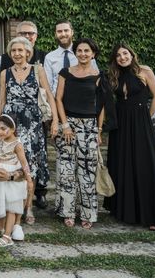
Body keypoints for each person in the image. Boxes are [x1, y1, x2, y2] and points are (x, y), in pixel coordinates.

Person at [104, 43, 155, 230]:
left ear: (131, 54)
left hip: (140, 121)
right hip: (121, 123)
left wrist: (146, 117)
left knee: (145, 164)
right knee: (122, 162)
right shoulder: (114, 74)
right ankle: (124, 210)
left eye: (125, 53)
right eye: (118, 55)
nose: (122, 57)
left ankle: (152, 215)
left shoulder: (144, 70)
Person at [0, 37, 57, 225]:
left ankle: (28, 207)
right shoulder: (5, 73)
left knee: (29, 167)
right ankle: (12, 206)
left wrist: (55, 121)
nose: (17, 54)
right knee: (12, 163)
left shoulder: (38, 70)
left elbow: (50, 97)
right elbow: (2, 100)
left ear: (27, 52)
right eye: (13, 51)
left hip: (33, 124)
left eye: (20, 50)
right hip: (12, 124)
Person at [54, 38, 105, 229]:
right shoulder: (65, 73)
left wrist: (99, 130)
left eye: (87, 51)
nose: (83, 54)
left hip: (90, 126)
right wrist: (65, 124)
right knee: (66, 169)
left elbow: (101, 106)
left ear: (93, 54)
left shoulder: (99, 75)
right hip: (68, 126)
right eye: (80, 50)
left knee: (87, 171)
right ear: (75, 53)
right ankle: (67, 212)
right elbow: (58, 99)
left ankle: (88, 213)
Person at [0, 114, 32, 247]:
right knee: (0, 202)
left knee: (11, 206)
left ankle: (7, 236)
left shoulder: (17, 145)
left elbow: (24, 164)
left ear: (12, 129)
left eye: (3, 128)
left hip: (11, 177)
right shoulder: (0, 140)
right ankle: (0, 228)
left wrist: (29, 180)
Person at [44, 20, 98, 95]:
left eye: (66, 30)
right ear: (55, 34)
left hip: (82, 98)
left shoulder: (84, 54)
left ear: (72, 32)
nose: (63, 34)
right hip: (57, 100)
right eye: (59, 31)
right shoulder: (49, 58)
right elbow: (48, 87)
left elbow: (95, 81)